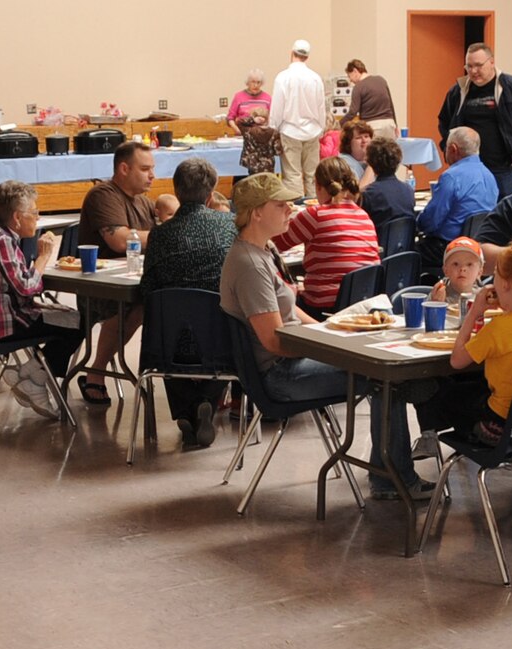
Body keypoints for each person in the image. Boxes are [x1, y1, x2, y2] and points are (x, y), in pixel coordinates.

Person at [223, 171, 416, 495]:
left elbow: (288, 311)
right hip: (281, 375)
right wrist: (331, 344)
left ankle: (390, 473)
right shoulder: (250, 265)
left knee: (380, 369)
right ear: (257, 212)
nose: (290, 210)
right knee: (385, 378)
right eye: (281, 205)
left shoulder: (260, 250)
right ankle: (392, 480)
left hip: (291, 363)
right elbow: (274, 340)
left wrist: (334, 330)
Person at [416, 242, 512, 448]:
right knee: (472, 386)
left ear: (505, 284)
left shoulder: (498, 328)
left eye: (496, 274)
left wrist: (475, 312)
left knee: (439, 390)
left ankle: (429, 437)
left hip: (500, 424)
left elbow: (457, 361)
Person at [137, 158, 238, 449]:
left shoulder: (160, 234)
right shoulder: (228, 225)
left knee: (169, 321)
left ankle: (185, 410)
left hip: (171, 345)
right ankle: (206, 398)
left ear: (176, 192)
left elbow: (149, 287)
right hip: (221, 338)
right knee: (230, 323)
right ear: (210, 196)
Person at [0, 180, 83, 421]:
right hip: (6, 323)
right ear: (17, 217)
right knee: (79, 322)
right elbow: (27, 288)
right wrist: (44, 257)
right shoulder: (1, 241)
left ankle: (28, 374)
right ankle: (36, 378)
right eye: (35, 213)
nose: (37, 218)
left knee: (69, 318)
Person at [74, 141, 158, 404]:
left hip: (134, 281)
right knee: (142, 306)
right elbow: (120, 241)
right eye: (145, 169)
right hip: (101, 287)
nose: (152, 175)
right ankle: (96, 372)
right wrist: (163, 234)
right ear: (124, 168)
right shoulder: (103, 195)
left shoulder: (143, 202)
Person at [436, 43, 512, 200]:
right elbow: (444, 122)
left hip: (502, 169)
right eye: (469, 66)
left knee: (504, 216)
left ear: (491, 62)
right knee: (470, 215)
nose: (473, 71)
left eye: (478, 65)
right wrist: (448, 149)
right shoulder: (458, 91)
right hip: (467, 168)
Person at [274, 156, 380, 315]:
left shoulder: (315, 215)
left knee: (277, 299)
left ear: (318, 186)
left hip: (326, 306)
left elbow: (276, 244)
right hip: (364, 303)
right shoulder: (363, 215)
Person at [416, 128, 500, 274]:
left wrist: (416, 223)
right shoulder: (490, 176)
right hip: (478, 246)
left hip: (448, 247)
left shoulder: (451, 177)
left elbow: (431, 221)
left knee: (409, 253)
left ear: (453, 149)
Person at [269, 39, 327, 189]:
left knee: (292, 175)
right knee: (313, 175)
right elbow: (322, 107)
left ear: (291, 53)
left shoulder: (283, 77)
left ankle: (295, 210)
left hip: (290, 131)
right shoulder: (315, 78)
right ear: (307, 57)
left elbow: (277, 107)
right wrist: (321, 128)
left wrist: (273, 127)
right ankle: (314, 208)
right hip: (313, 130)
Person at [358, 138, 414, 235]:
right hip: (406, 247)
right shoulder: (408, 190)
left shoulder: (368, 194)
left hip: (378, 247)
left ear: (370, 163)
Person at [345, 59, 399, 142]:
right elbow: (391, 104)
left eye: (349, 76)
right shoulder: (381, 80)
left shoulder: (358, 87)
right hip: (389, 124)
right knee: (389, 154)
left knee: (373, 154)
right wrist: (396, 125)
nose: (350, 80)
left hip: (373, 126)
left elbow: (353, 112)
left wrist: (339, 125)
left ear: (355, 71)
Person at [428, 236, 484, 306]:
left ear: (480, 272)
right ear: (445, 270)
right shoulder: (438, 294)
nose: (462, 268)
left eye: (469, 264)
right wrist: (436, 305)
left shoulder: (483, 297)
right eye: (455, 264)